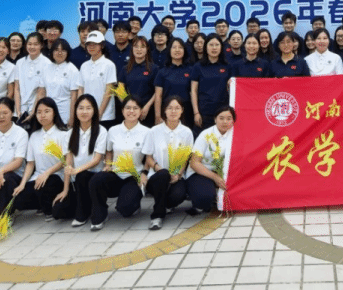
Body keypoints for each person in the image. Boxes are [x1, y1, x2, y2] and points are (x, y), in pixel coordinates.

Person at [89, 96, 149, 231]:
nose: (131, 111)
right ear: (122, 111)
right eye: (128, 108)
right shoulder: (113, 130)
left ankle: (134, 204)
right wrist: (108, 165)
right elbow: (109, 151)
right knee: (96, 180)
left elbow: (149, 157)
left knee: (125, 210)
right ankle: (99, 215)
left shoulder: (147, 132)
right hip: (115, 174)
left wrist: (144, 173)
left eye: (135, 108)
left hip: (134, 176)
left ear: (140, 111)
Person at [12, 98, 69, 220]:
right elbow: (30, 164)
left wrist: (47, 173)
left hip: (57, 177)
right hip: (38, 178)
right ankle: (42, 204)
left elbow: (65, 161)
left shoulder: (63, 134)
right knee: (18, 199)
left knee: (46, 186)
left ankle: (48, 209)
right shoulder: (34, 136)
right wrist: (22, 184)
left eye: (47, 111)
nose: (42, 115)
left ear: (54, 113)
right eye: (39, 112)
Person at [142, 96, 194, 230]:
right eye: (170, 108)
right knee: (163, 175)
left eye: (177, 108)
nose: (173, 111)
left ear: (182, 111)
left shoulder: (187, 132)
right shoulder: (154, 131)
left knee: (178, 195)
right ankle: (157, 216)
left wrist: (178, 175)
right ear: (164, 111)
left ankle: (166, 204)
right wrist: (159, 169)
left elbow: (186, 158)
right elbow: (148, 157)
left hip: (176, 176)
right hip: (157, 176)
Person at [58, 94, 107, 226]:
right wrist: (65, 189)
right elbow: (68, 163)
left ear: (94, 111)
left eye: (88, 108)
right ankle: (84, 209)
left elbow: (97, 160)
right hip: (77, 179)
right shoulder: (69, 134)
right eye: (81, 108)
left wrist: (77, 170)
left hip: (96, 176)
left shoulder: (101, 131)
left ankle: (92, 214)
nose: (84, 112)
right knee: (58, 211)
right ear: (75, 111)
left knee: (83, 175)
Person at [186, 106, 235, 214]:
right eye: (221, 118)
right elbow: (194, 163)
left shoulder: (235, 134)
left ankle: (217, 198)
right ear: (215, 119)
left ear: (233, 121)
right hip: (201, 172)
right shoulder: (205, 135)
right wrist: (215, 177)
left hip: (223, 172)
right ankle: (201, 202)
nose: (225, 121)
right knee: (204, 197)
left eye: (229, 118)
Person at [191, 34, 232, 133]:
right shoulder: (198, 66)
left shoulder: (227, 66)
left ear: (221, 47)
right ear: (206, 47)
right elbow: (193, 91)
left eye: (217, 45)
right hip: (204, 112)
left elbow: (232, 89)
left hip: (223, 112)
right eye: (211, 45)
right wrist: (196, 112)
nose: (214, 48)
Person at [79, 31, 118, 128]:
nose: (91, 47)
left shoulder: (109, 65)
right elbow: (81, 89)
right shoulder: (84, 66)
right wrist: (80, 110)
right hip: (86, 114)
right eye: (89, 44)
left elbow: (109, 91)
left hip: (105, 116)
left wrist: (99, 113)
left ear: (102, 45)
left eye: (95, 44)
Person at [118, 36, 158, 126]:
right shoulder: (125, 69)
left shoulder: (154, 69)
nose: (139, 49)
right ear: (132, 49)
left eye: (142, 47)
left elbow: (157, 92)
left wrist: (147, 107)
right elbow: (120, 91)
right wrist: (128, 107)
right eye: (136, 46)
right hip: (130, 112)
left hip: (147, 111)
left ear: (147, 49)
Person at [154, 38, 194, 127]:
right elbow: (158, 95)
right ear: (169, 51)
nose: (177, 50)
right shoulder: (162, 72)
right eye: (174, 47)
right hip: (167, 110)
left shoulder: (191, 70)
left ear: (184, 51)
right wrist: (157, 115)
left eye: (180, 47)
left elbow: (193, 93)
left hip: (187, 111)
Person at [13, 32, 50, 124]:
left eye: (35, 44)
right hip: (19, 111)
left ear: (41, 45)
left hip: (37, 110)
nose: (32, 47)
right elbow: (17, 88)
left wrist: (33, 112)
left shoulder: (47, 63)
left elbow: (41, 92)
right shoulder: (20, 62)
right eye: (29, 44)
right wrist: (18, 110)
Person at [45, 39, 82, 125]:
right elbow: (42, 92)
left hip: (65, 113)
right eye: (56, 50)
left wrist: (72, 118)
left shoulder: (73, 70)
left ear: (68, 52)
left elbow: (74, 96)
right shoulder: (46, 67)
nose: (59, 53)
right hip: (48, 112)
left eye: (63, 50)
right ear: (52, 51)